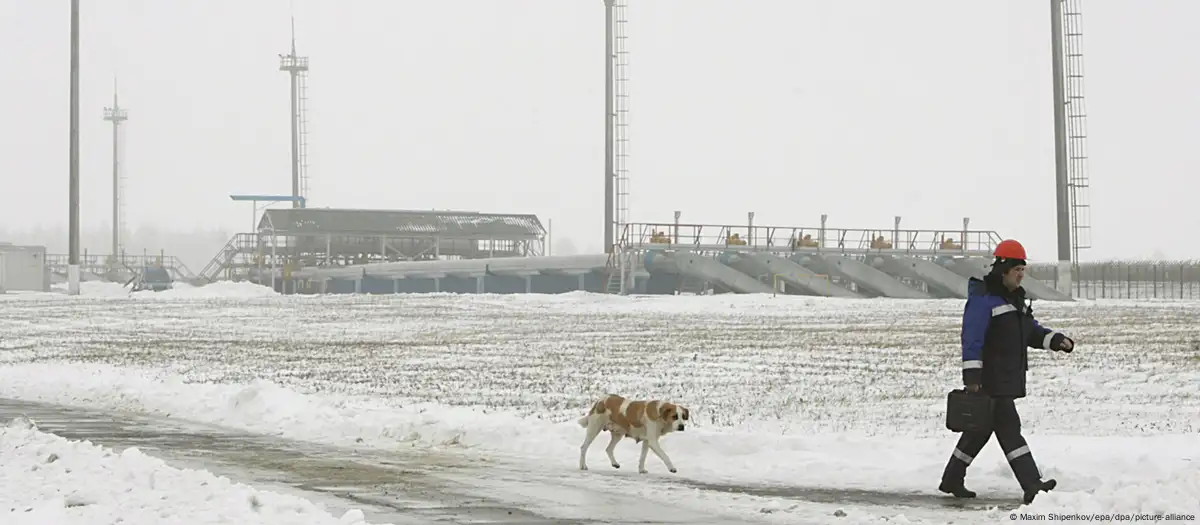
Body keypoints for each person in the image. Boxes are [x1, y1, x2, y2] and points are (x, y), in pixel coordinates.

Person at [938, 239, 1076, 505]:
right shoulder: (984, 300)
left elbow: (1030, 332)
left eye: (1023, 270)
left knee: (979, 431)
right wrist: (972, 378)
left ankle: (952, 478)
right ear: (1003, 270)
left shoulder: (1014, 301)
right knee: (1009, 429)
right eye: (1017, 270)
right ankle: (1032, 485)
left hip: (1006, 376)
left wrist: (1055, 340)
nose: (1021, 275)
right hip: (990, 378)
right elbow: (972, 339)